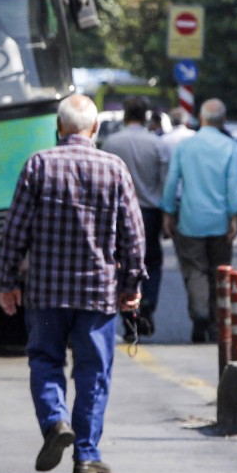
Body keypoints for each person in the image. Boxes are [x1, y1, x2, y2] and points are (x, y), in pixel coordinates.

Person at [0, 94, 147, 473]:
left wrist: (8, 281)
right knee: (93, 372)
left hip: (45, 294)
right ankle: (85, 452)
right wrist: (131, 284)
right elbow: (133, 235)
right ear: (94, 128)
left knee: (45, 361)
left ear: (58, 127)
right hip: (97, 295)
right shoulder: (114, 169)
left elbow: (15, 230)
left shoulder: (39, 166)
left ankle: (55, 421)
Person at [161, 98, 237, 344]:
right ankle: (216, 324)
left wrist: (168, 212)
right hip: (220, 222)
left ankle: (199, 313)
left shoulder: (186, 146)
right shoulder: (230, 147)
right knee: (220, 271)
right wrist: (233, 216)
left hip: (190, 220)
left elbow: (171, 182)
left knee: (195, 269)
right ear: (224, 121)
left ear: (200, 117)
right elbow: (233, 187)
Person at [102, 95, 171, 338]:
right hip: (149, 213)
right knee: (151, 261)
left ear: (125, 115)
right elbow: (166, 183)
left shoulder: (111, 143)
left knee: (120, 263)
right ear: (145, 116)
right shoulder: (157, 144)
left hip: (117, 213)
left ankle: (128, 314)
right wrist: (167, 216)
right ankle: (148, 301)